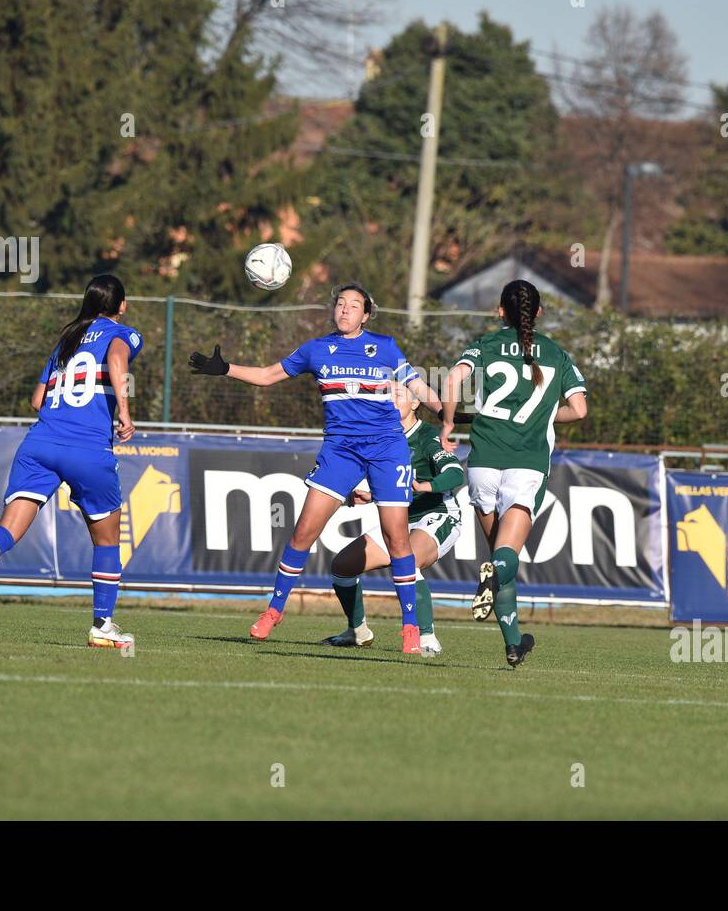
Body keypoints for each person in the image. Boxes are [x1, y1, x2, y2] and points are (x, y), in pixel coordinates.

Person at [189, 283, 442, 655]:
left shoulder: (384, 346)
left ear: (366, 315)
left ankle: (409, 626)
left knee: (396, 538)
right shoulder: (316, 349)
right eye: (340, 304)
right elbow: (268, 376)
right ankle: (274, 611)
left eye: (354, 306)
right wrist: (225, 368)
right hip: (340, 450)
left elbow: (420, 388)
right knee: (303, 532)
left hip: (387, 449)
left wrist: (449, 415)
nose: (345, 310)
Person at [0, 274, 143, 648]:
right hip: (87, 449)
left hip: (40, 443)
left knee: (9, 528)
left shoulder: (65, 340)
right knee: (108, 540)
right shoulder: (125, 334)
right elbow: (117, 358)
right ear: (122, 305)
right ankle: (102, 625)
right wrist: (124, 411)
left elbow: (36, 401)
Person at [438, 279, 588, 667]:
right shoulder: (557, 353)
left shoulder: (486, 344)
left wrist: (448, 424)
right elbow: (581, 409)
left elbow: (452, 379)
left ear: (499, 311)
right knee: (506, 558)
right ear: (538, 313)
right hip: (527, 465)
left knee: (499, 558)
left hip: (484, 461)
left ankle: (513, 643)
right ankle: (494, 576)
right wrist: (545, 415)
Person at [323, 384, 464, 657]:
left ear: (415, 404)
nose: (388, 401)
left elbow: (455, 473)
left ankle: (426, 638)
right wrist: (368, 494)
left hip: (437, 514)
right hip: (400, 519)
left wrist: (424, 486)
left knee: (407, 562)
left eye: (397, 396)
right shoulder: (381, 436)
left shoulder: (428, 436)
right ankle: (357, 632)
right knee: (342, 566)